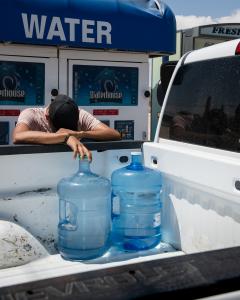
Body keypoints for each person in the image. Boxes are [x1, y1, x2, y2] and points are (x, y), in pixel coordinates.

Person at [13, 94, 121, 160]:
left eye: (70, 128)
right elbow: (18, 136)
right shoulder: (31, 114)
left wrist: (81, 134)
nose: (66, 130)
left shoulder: (81, 114)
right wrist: (66, 137)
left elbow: (115, 134)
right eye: (58, 127)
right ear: (47, 117)